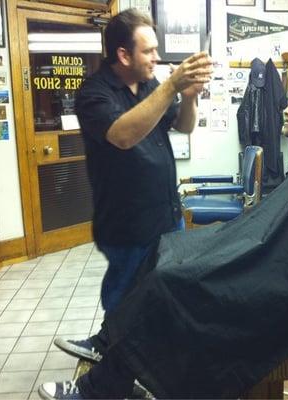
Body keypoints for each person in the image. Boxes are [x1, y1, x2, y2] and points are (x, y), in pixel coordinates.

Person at [39, 70, 288, 400]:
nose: (284, 110)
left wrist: (231, 263)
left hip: (282, 303)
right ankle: (120, 359)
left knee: (170, 282)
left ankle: (99, 388)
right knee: (165, 250)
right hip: (269, 277)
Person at [53, 8, 213, 362]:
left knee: (159, 294)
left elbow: (184, 126)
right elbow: (123, 136)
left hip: (166, 214)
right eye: (148, 51)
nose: (156, 57)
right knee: (125, 296)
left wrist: (187, 97)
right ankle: (109, 358)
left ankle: (145, 358)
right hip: (127, 222)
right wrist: (172, 84)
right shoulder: (94, 94)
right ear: (123, 55)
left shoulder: (151, 85)